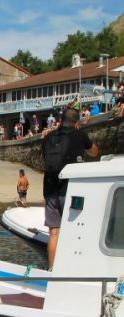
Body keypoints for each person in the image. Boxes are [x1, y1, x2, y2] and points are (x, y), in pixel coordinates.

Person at [42, 108, 99, 269]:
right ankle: (73, 266)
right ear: (76, 122)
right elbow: (94, 152)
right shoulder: (79, 135)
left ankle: (52, 268)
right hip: (71, 189)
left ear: (60, 120)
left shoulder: (49, 137)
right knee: (75, 228)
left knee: (54, 232)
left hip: (50, 188)